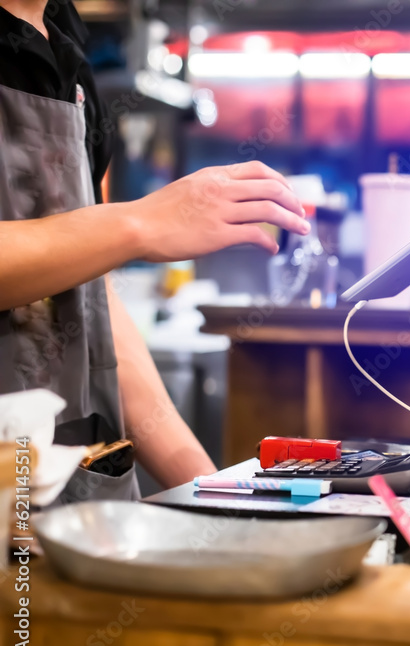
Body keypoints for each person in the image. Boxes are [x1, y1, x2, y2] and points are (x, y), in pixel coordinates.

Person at [0, 0, 309, 502]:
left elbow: (88, 303)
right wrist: (138, 222)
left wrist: (216, 493)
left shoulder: (64, 37)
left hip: (80, 500)